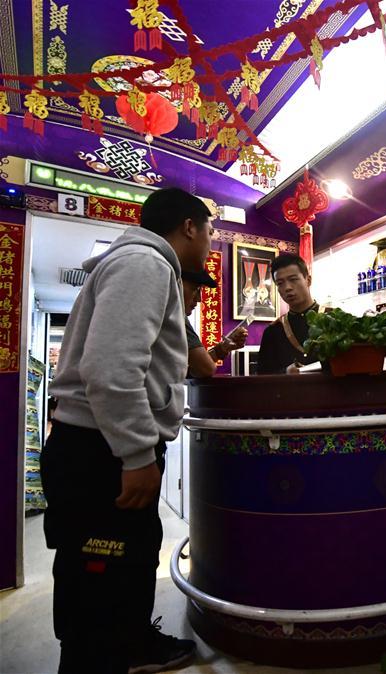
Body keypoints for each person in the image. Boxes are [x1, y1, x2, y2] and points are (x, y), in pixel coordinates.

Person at [41, 187, 213, 674]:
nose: (207, 244)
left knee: (127, 561)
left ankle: (131, 644)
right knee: (98, 575)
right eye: (209, 233)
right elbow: (111, 369)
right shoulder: (146, 264)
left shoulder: (140, 263)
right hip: (102, 451)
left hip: (103, 444)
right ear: (189, 227)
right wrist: (137, 454)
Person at [257, 253, 320, 374]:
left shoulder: (334, 319)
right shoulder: (273, 331)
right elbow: (263, 377)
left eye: (293, 279)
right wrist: (286, 372)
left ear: (308, 280)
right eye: (280, 283)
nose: (287, 288)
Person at [181, 268, 247, 378]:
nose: (199, 299)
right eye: (195, 289)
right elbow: (206, 368)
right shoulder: (175, 314)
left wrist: (223, 348)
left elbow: (195, 370)